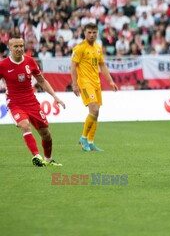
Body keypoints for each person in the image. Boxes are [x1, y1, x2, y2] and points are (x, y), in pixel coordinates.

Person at [0, 37, 65, 166]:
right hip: (14, 104)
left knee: (46, 134)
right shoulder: (3, 65)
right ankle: (36, 156)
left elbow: (41, 81)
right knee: (24, 125)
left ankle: (48, 160)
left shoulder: (30, 61)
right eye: (16, 46)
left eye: (21, 46)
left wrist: (55, 97)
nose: (19, 49)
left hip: (32, 102)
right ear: (9, 48)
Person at [70, 23, 118, 152]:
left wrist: (110, 81)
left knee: (96, 113)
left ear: (97, 33)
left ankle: (90, 142)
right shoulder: (79, 48)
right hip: (85, 83)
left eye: (94, 32)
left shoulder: (98, 47)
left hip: (96, 83)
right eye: (89, 32)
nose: (92, 35)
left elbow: (102, 65)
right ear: (84, 32)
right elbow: (73, 67)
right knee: (94, 109)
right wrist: (74, 84)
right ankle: (83, 138)